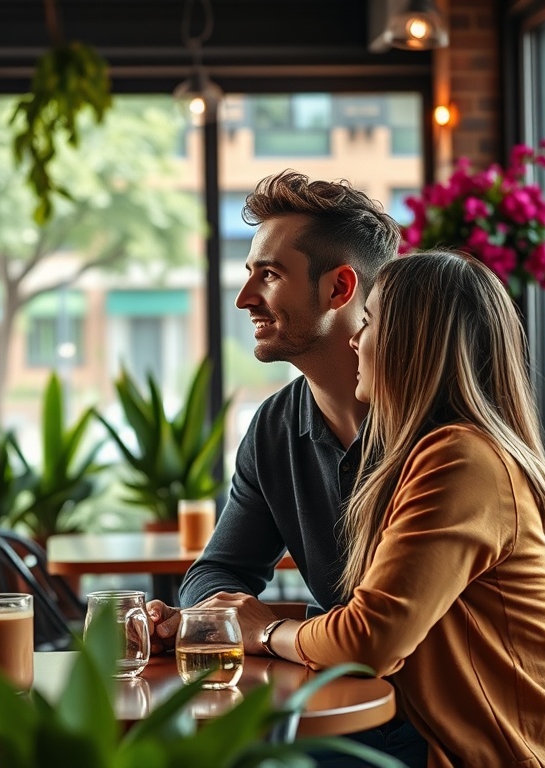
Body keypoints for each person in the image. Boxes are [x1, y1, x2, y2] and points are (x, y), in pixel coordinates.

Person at [193, 251, 545, 767]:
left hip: (485, 753)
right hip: (417, 731)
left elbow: (368, 640)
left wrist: (265, 630)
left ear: (413, 343)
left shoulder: (461, 459)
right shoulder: (429, 451)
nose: (355, 339)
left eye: (370, 321)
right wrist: (230, 619)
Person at [150, 169, 426, 764]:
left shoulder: (435, 430)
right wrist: (217, 617)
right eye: (249, 274)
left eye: (268, 275)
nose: (245, 298)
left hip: (437, 725)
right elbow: (217, 570)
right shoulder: (275, 427)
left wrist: (267, 625)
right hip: (345, 705)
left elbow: (381, 637)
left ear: (339, 288)